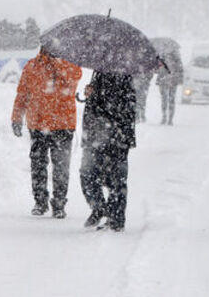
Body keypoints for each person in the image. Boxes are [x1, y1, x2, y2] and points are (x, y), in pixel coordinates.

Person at [11, 47, 83, 218]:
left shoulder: (70, 65)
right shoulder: (32, 66)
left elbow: (74, 79)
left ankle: (59, 204)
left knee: (61, 167)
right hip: (38, 124)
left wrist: (57, 64)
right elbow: (22, 94)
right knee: (38, 165)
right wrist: (16, 117)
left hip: (63, 125)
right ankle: (40, 202)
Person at [79, 71, 138, 231]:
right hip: (96, 137)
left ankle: (115, 218)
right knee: (88, 175)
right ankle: (100, 209)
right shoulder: (100, 73)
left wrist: (96, 97)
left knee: (115, 179)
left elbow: (123, 109)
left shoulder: (122, 76)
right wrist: (91, 93)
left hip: (114, 138)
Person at [155, 50, 184, 125]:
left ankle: (166, 118)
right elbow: (180, 69)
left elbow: (156, 69)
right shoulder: (175, 58)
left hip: (166, 80)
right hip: (170, 80)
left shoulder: (162, 57)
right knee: (169, 100)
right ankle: (168, 118)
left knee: (166, 100)